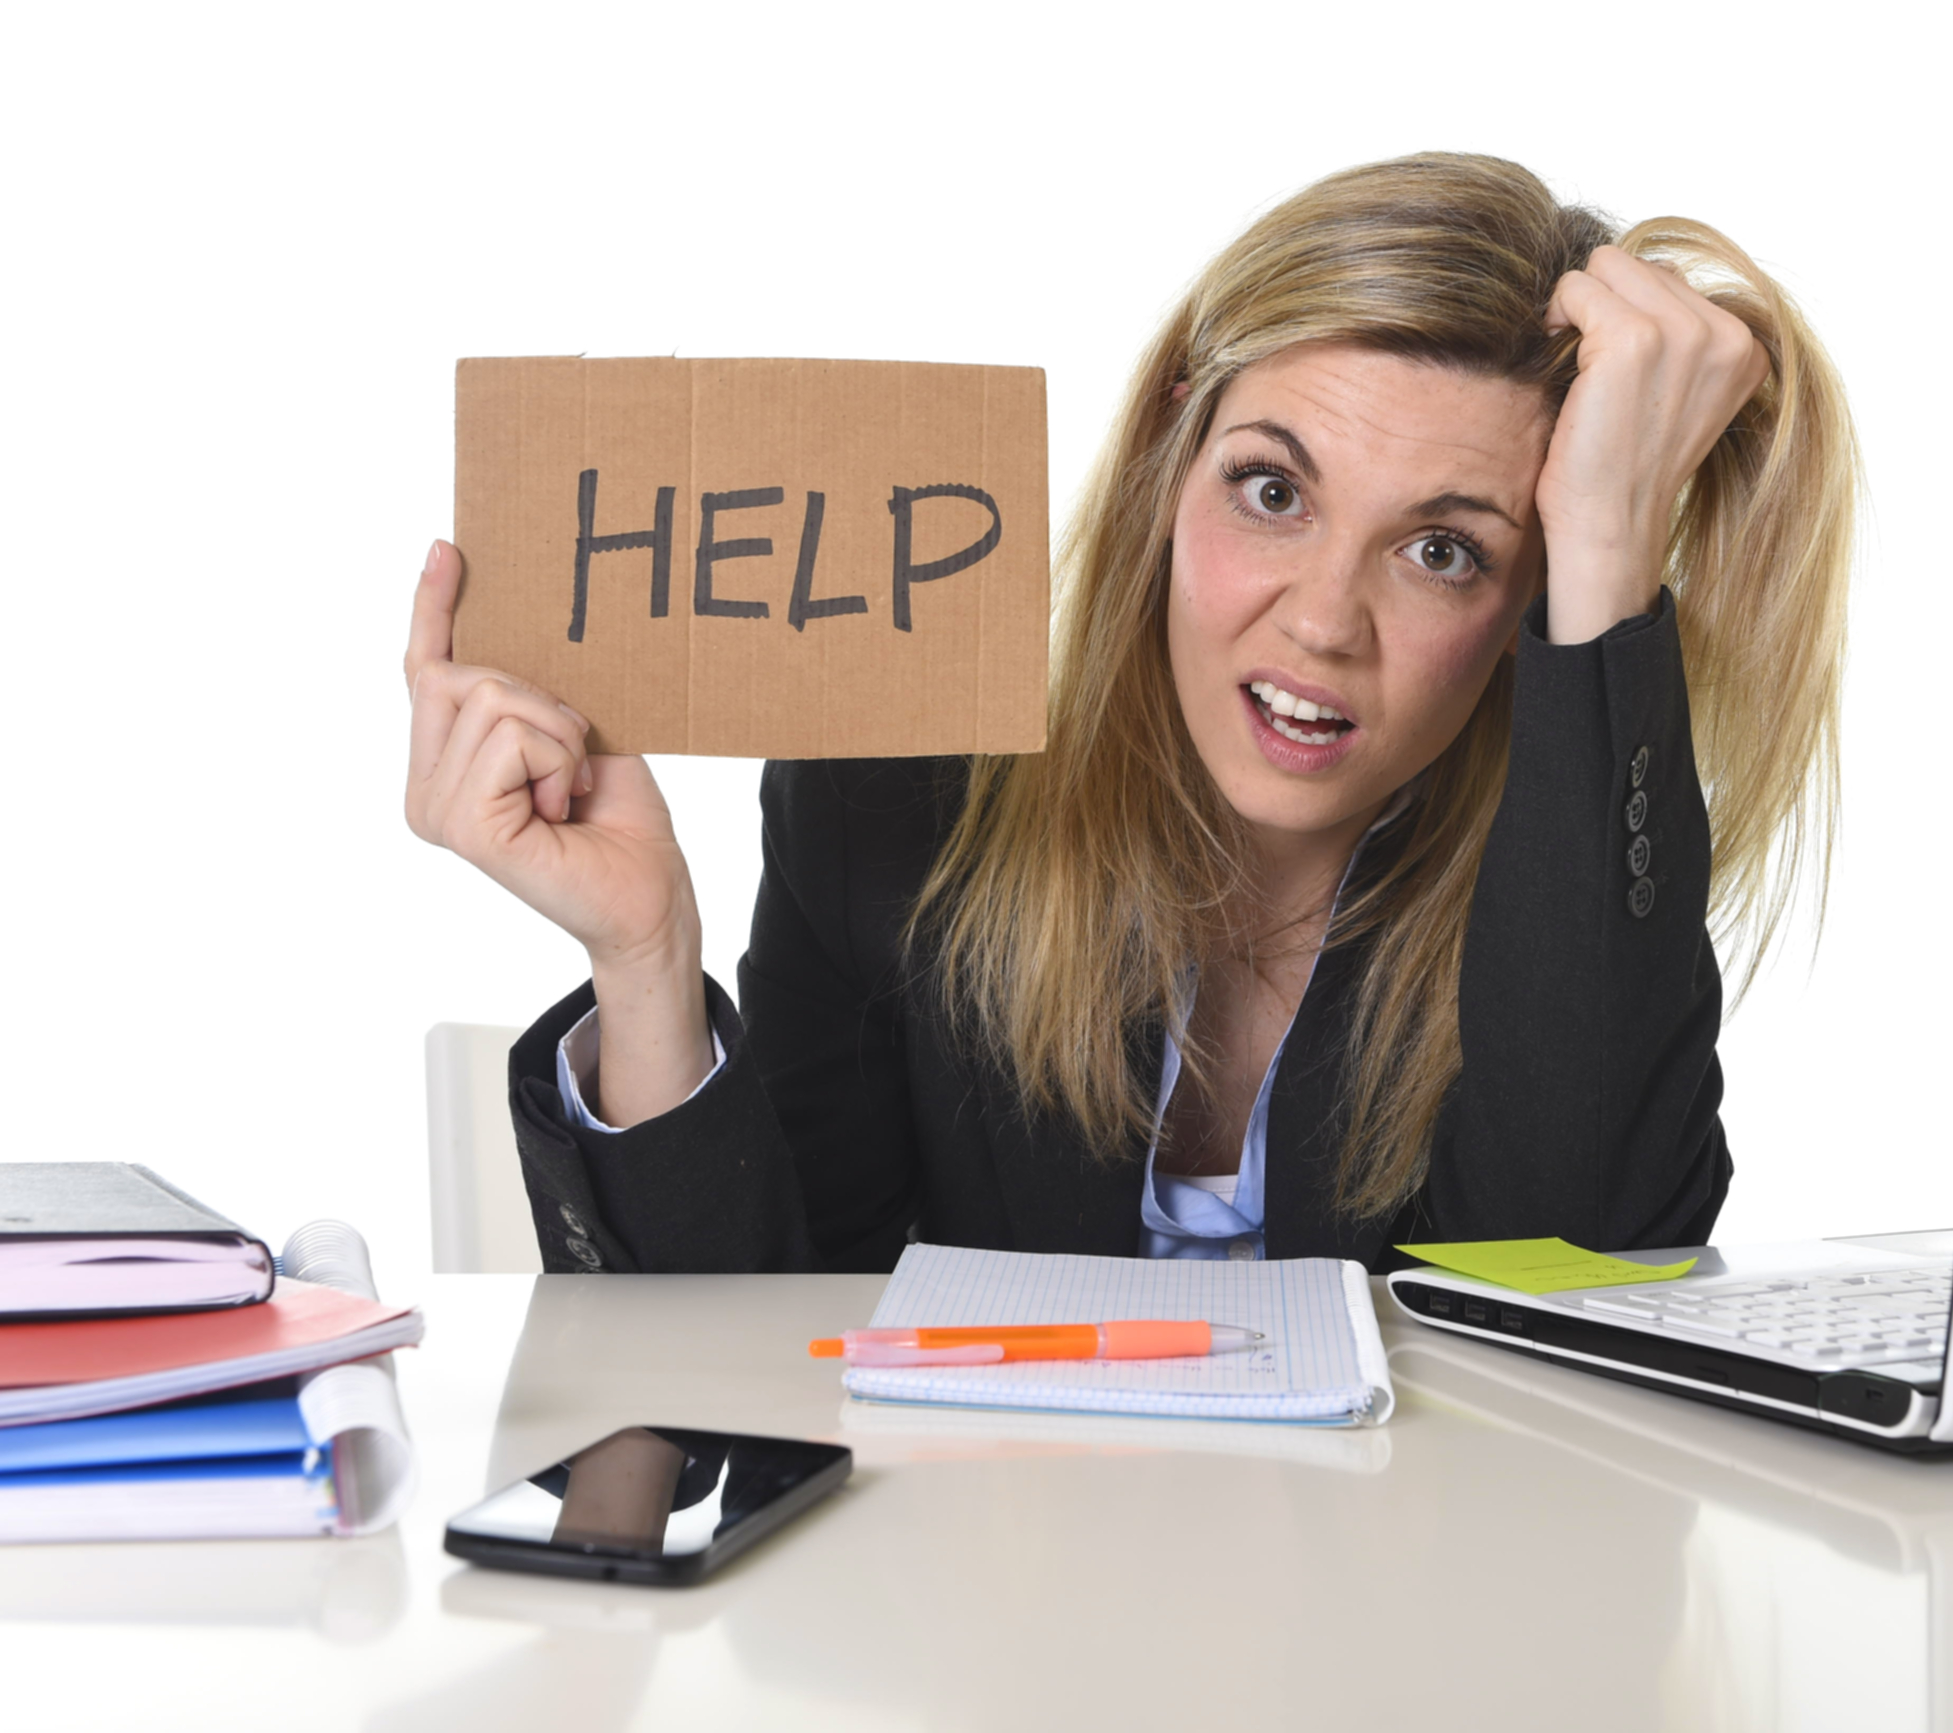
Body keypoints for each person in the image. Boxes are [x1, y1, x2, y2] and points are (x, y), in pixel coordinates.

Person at [403, 153, 1856, 1275]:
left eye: (1443, 549)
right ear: (1173, 454)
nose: (1323, 620)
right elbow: (750, 1374)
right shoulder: (892, 807)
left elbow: (1584, 1294)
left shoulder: (1568, 884)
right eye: (1272, 490)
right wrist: (644, 959)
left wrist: (1607, 551)